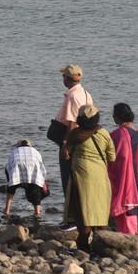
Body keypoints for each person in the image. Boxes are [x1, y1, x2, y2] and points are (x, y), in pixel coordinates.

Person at [63, 105, 116, 251]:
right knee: (99, 210)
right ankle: (102, 243)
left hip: (81, 177)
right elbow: (112, 157)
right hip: (100, 177)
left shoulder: (75, 135)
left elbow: (66, 154)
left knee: (83, 211)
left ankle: (83, 245)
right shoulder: (104, 133)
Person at [49, 65, 93, 198]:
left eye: (63, 76)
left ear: (67, 79)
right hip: (81, 138)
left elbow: (72, 123)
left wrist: (65, 145)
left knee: (67, 177)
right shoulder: (86, 94)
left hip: (70, 139)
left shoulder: (72, 96)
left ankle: (70, 213)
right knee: (76, 176)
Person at [107, 103, 138, 234]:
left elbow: (121, 156)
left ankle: (127, 234)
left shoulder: (120, 133)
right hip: (132, 173)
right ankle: (130, 232)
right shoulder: (135, 132)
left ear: (117, 117)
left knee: (124, 202)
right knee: (130, 203)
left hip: (123, 173)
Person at [4, 140, 49, 219]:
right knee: (35, 188)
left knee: (11, 188)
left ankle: (7, 210)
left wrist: (10, 181)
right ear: (29, 146)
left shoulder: (14, 151)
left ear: (18, 146)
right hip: (32, 169)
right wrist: (43, 182)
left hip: (16, 169)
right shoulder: (35, 151)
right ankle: (37, 211)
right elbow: (42, 169)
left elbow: (8, 166)